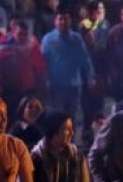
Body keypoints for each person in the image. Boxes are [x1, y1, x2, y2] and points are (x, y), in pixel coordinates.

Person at [40, 12, 95, 140]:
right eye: (60, 19)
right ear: (55, 21)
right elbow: (42, 62)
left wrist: (90, 77)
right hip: (55, 86)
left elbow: (85, 60)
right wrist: (44, 81)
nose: (63, 22)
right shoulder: (48, 39)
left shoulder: (76, 39)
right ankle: (56, 142)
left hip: (74, 85)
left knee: (73, 116)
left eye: (66, 19)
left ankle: (71, 143)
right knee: (57, 116)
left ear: (70, 21)